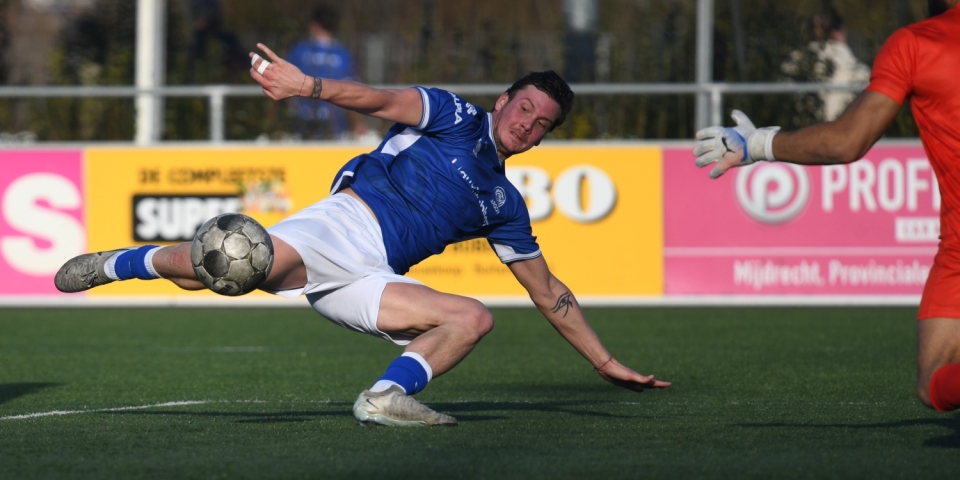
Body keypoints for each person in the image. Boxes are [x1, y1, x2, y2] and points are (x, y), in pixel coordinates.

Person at [55, 43, 670, 427]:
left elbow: (548, 291)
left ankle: (383, 398)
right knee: (231, 268)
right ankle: (119, 263)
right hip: (340, 227)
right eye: (524, 108)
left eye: (541, 124)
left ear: (545, 137)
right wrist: (307, 87)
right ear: (504, 99)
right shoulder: (454, 115)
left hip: (374, 276)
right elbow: (378, 99)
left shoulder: (504, 204)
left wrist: (605, 362)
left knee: (472, 318)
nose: (527, 124)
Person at [693, 0, 960, 412]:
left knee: (935, 381)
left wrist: (758, 143)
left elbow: (846, 142)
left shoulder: (917, 43)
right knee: (934, 382)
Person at [286, 5, 367, 140]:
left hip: (302, 123)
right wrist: (358, 123)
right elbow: (354, 93)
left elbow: (285, 86)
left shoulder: (299, 51)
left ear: (314, 24)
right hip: (335, 125)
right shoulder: (343, 55)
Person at [780, 9, 871, 121]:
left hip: (799, 126)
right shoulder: (849, 63)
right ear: (839, 31)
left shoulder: (795, 59)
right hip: (842, 125)